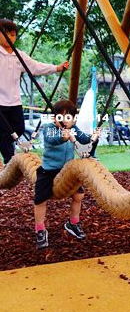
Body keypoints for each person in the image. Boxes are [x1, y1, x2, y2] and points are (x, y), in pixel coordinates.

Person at [0, 18, 69, 165]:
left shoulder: (19, 55)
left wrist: (56, 68)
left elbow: (36, 67)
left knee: (19, 129)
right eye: (6, 34)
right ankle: (9, 159)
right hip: (0, 102)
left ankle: (9, 154)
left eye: (13, 34)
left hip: (14, 101)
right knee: (3, 132)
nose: (10, 37)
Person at [34, 99, 99, 250]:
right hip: (49, 170)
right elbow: (52, 141)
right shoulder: (49, 128)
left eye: (69, 117)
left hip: (68, 170)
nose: (65, 120)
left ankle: (73, 223)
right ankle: (40, 229)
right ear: (54, 118)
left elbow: (85, 141)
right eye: (61, 117)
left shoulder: (74, 128)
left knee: (78, 196)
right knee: (40, 199)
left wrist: (94, 137)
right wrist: (63, 137)